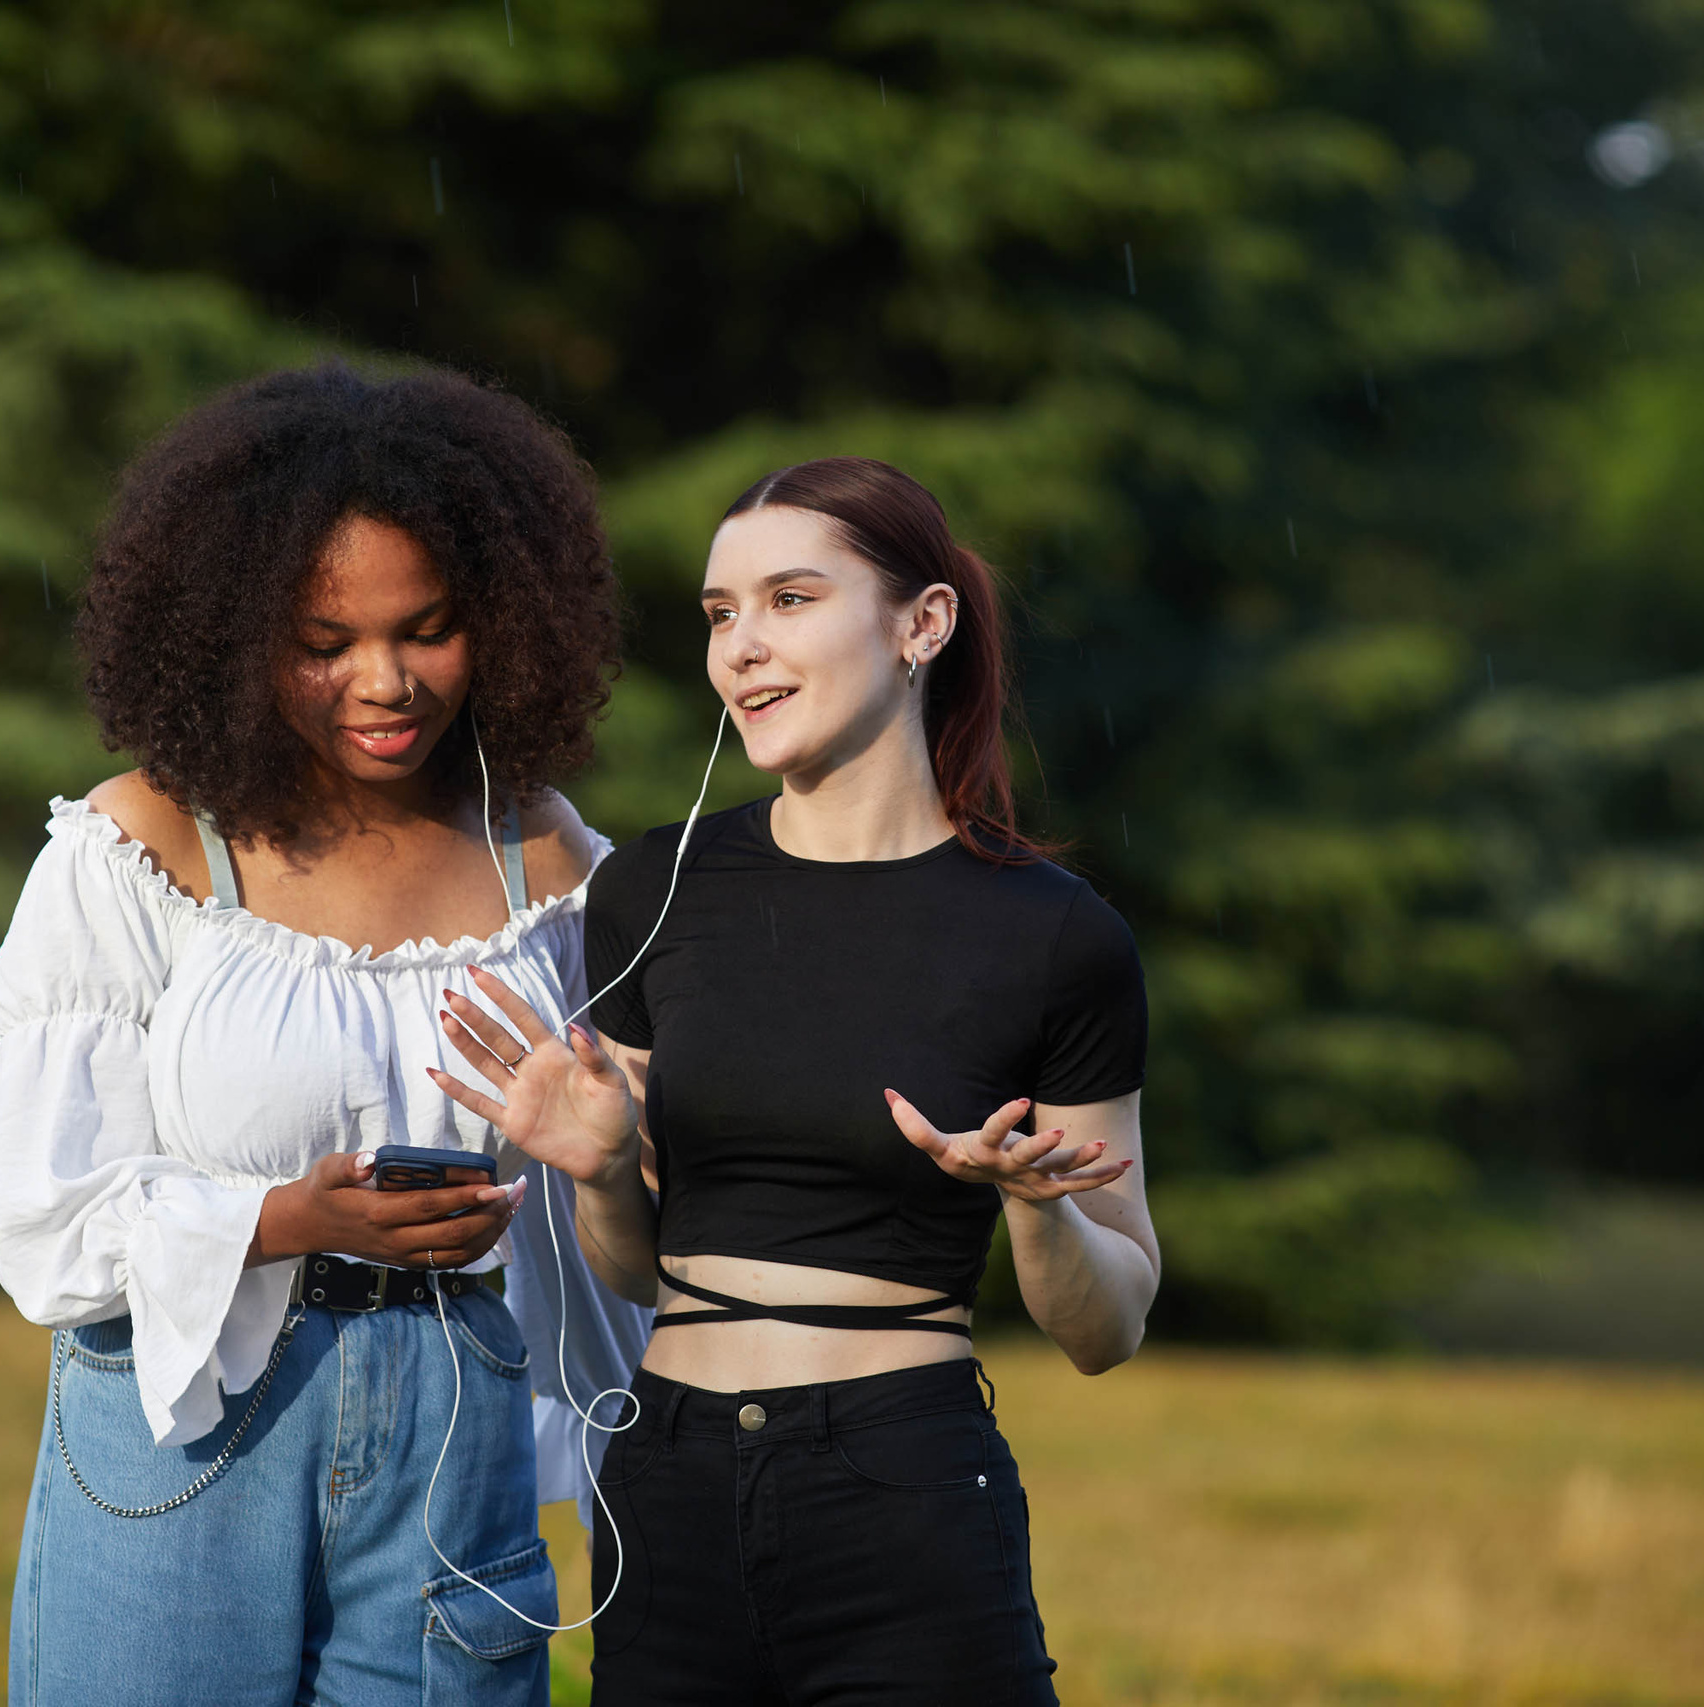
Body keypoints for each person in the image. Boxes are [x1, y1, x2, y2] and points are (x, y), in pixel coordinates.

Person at [431, 454, 1161, 1706]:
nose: (742, 650)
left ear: (921, 624)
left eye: (790, 600)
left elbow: (1111, 1326)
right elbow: (635, 1268)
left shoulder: (1055, 936)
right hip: (665, 1479)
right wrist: (604, 1170)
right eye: (721, 615)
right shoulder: (650, 890)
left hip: (905, 1485)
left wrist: (1034, 1208)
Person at [0, 361, 650, 1707]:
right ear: (231, 633)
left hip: (457, 1418)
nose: (386, 680)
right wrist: (291, 1214)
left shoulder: (551, 862)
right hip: (187, 1430)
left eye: (428, 626)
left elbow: (623, 1191)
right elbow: (43, 1218)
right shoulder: (145, 845)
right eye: (323, 640)